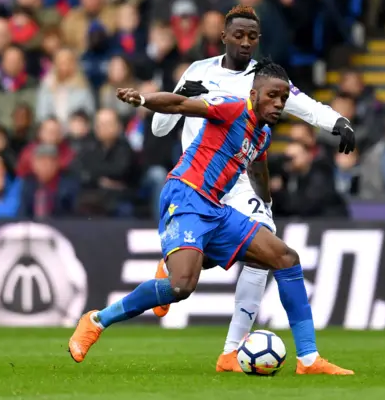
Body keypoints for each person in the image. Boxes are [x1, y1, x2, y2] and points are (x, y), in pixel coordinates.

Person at [68, 58, 354, 376]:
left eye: (284, 99)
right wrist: (144, 99)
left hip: (216, 209)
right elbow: (178, 103)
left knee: (285, 257)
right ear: (254, 94)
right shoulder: (230, 108)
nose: (279, 103)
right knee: (182, 286)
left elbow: (258, 171)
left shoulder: (262, 136)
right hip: (186, 195)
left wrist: (267, 203)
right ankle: (97, 320)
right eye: (273, 95)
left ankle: (309, 359)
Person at [146, 4, 355, 373]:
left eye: (252, 37)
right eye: (238, 35)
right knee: (206, 263)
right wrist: (179, 99)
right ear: (224, 36)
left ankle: (232, 351)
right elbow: (159, 130)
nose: (245, 43)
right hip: (198, 182)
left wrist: (337, 121)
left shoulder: (264, 79)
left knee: (267, 251)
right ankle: (172, 265)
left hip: (240, 180)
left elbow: (303, 105)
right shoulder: (198, 71)